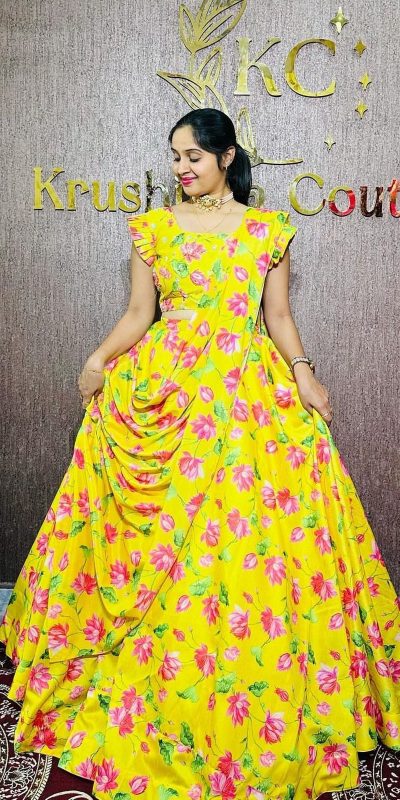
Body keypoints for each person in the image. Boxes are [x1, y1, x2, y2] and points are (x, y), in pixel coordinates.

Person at [1, 107, 399, 800]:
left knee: (248, 537)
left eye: (193, 156)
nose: (182, 167)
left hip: (245, 393)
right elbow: (139, 315)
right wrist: (96, 359)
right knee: (154, 536)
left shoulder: (266, 230)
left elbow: (277, 317)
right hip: (168, 386)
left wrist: (305, 375)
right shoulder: (154, 229)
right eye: (176, 156)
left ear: (227, 157)